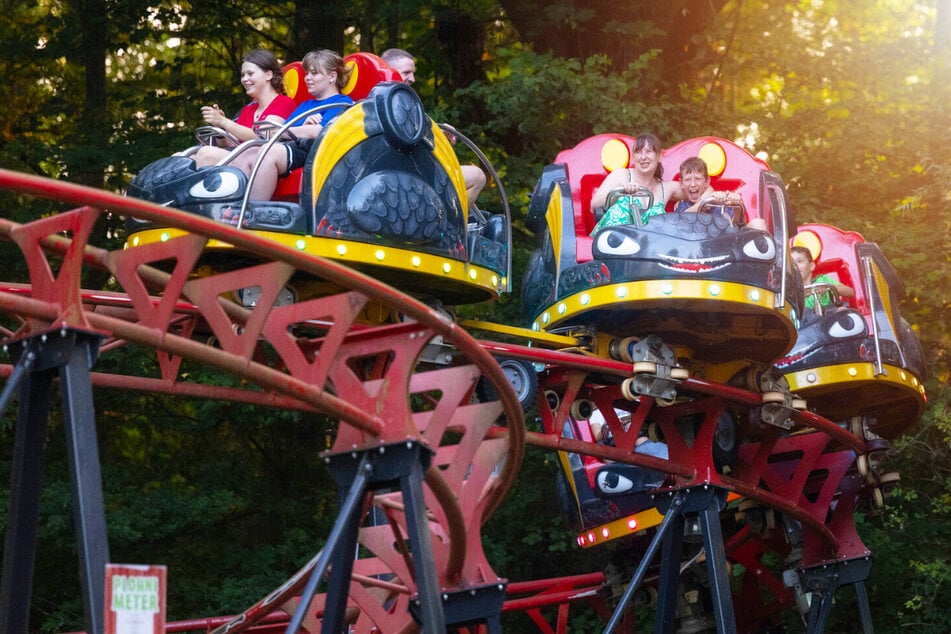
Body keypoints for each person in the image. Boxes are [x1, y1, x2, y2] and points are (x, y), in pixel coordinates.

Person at [230, 49, 354, 201]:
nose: (307, 78)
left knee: (269, 152)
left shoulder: (342, 103)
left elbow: (317, 131)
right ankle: (232, 207)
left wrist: (299, 129)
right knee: (249, 152)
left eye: (314, 73)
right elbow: (281, 132)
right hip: (294, 148)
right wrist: (302, 127)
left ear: (332, 76)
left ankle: (252, 209)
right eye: (307, 73)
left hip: (313, 153)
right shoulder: (305, 105)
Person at [382, 47, 487, 207]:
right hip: (409, 175)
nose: (413, 79)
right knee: (478, 176)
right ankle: (450, 226)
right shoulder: (394, 104)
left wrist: (438, 131)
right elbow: (409, 141)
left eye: (413, 73)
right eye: (406, 72)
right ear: (390, 71)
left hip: (409, 171)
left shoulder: (393, 101)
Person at [192, 49, 297, 168]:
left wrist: (224, 122)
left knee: (205, 154)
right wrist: (220, 127)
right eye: (243, 75)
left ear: (268, 75)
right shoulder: (248, 110)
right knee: (185, 158)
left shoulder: (284, 103)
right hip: (241, 160)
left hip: (260, 162)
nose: (244, 79)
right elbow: (232, 144)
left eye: (250, 74)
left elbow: (263, 137)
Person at [590, 133, 698, 232]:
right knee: (621, 208)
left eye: (648, 152)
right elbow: (594, 205)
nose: (643, 157)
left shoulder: (666, 188)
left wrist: (705, 201)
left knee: (658, 217)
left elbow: (700, 190)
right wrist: (620, 194)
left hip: (647, 247)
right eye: (638, 152)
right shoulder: (622, 175)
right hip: (611, 242)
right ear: (633, 157)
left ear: (659, 156)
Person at [672, 157, 767, 230]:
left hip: (724, 247)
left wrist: (736, 205)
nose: (693, 184)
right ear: (681, 184)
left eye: (697, 179)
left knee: (758, 224)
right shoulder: (681, 206)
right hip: (696, 249)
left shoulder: (719, 204)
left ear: (707, 181)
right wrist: (707, 201)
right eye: (688, 180)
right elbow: (682, 218)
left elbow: (738, 227)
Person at [790, 245, 855, 311]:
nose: (795, 266)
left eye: (799, 261)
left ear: (811, 266)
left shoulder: (822, 279)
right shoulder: (791, 290)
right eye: (791, 263)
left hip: (829, 317)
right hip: (807, 320)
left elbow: (851, 292)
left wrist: (829, 288)